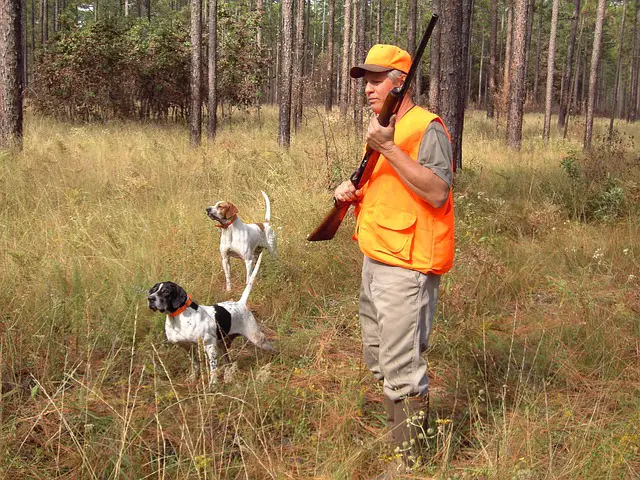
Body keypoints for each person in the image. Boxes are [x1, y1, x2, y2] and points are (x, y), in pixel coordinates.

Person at [334, 44, 454, 470]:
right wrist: (351, 191)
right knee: (379, 355)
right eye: (364, 80)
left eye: (376, 79)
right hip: (376, 256)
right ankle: (399, 429)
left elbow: (437, 192)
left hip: (407, 265)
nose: (367, 88)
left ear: (400, 82)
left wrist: (387, 148)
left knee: (402, 365)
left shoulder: (427, 127)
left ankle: (413, 462)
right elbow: (391, 186)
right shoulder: (383, 125)